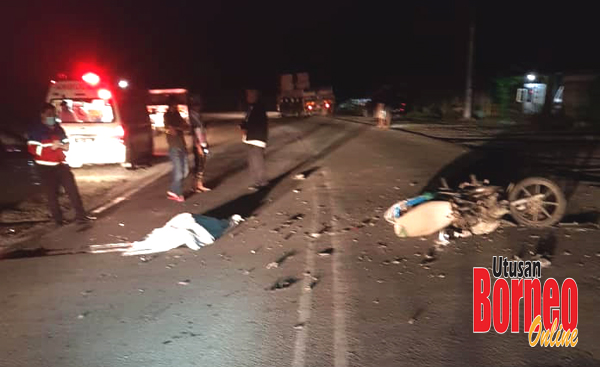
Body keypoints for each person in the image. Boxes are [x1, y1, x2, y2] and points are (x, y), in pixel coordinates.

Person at [27, 103, 94, 227]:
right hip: (44, 167)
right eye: (48, 114)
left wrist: (60, 146)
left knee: (73, 191)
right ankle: (58, 221)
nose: (51, 117)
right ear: (42, 115)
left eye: (53, 114)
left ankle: (81, 216)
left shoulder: (58, 129)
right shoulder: (36, 131)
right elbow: (32, 149)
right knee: (52, 195)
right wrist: (50, 147)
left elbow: (67, 146)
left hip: (61, 165)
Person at [240, 89, 269, 191]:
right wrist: (243, 126)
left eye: (250, 95)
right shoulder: (251, 108)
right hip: (250, 139)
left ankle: (262, 182)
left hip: (256, 139)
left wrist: (245, 128)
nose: (248, 97)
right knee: (252, 162)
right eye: (247, 95)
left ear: (255, 96)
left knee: (257, 162)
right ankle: (257, 182)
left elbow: (257, 124)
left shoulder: (259, 108)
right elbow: (247, 121)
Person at [163, 98, 189, 202]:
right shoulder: (167, 116)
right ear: (170, 106)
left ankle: (173, 190)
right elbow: (172, 130)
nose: (175, 107)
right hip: (174, 147)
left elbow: (186, 127)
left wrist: (179, 127)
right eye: (174, 105)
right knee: (178, 172)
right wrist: (178, 128)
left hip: (182, 145)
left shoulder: (177, 115)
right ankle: (177, 193)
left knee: (185, 172)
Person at [189, 99, 211, 192]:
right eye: (197, 106)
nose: (199, 108)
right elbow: (194, 134)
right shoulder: (193, 118)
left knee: (200, 165)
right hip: (199, 145)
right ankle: (198, 185)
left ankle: (196, 185)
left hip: (202, 143)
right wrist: (199, 147)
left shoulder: (197, 116)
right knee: (200, 166)